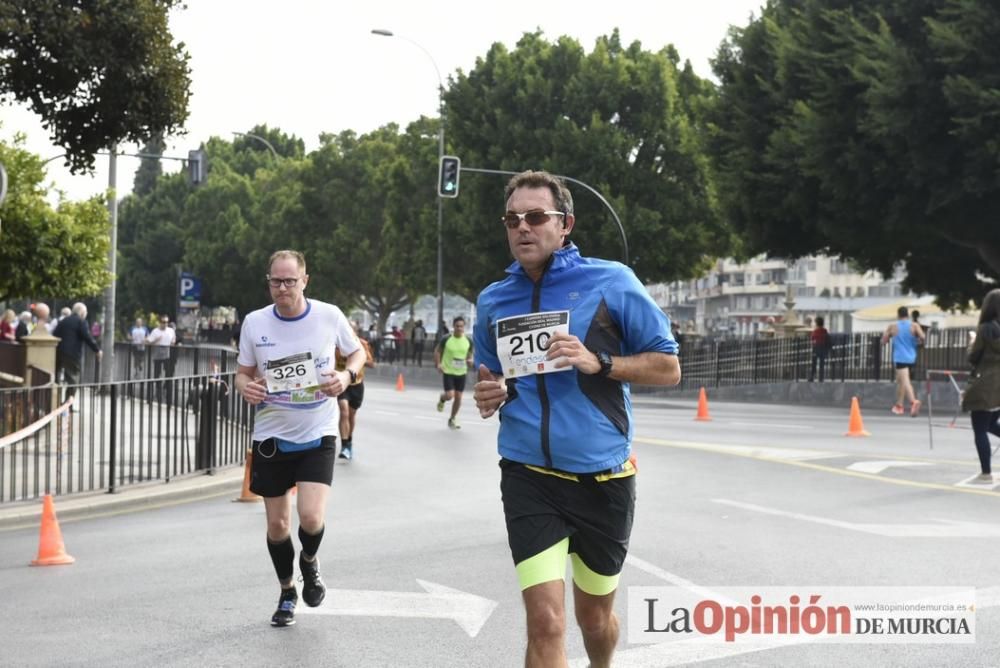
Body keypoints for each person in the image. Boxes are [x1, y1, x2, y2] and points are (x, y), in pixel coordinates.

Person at [472, 170, 680, 668]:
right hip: (529, 475)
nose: (523, 227)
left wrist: (598, 362)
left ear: (564, 224)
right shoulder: (493, 300)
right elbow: (489, 381)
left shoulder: (611, 282)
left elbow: (669, 368)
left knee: (595, 621)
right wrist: (488, 394)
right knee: (545, 623)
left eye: (536, 217)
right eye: (512, 219)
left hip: (603, 477)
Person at [235, 250, 365, 627]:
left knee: (310, 517)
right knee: (277, 527)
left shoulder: (328, 315)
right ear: (269, 282)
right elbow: (242, 373)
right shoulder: (255, 322)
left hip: (318, 431)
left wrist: (346, 377)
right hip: (272, 435)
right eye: (276, 281)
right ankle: (287, 590)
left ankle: (309, 560)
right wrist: (246, 388)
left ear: (305, 281)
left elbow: (356, 354)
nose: (282, 288)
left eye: (290, 281)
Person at [961, 289, 1000, 484]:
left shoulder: (985, 329)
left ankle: (986, 473)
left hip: (986, 383)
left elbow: (973, 357)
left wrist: (972, 342)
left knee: (980, 429)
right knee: (992, 424)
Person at [335, 323, 375, 461]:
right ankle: (344, 445)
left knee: (351, 415)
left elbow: (371, 363)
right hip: (342, 383)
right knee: (343, 410)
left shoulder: (361, 344)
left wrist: (357, 359)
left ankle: (349, 441)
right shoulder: (334, 344)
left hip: (357, 384)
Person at [52, 302, 102, 403]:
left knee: (56, 377)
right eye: (86, 312)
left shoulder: (63, 321)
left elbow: (54, 334)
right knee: (73, 378)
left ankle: (55, 401)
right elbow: (87, 336)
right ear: (82, 312)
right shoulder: (81, 322)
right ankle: (67, 404)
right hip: (72, 354)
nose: (86, 314)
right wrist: (97, 350)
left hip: (58, 352)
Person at [882, 305, 925, 416]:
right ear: (907, 314)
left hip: (900, 357)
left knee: (905, 381)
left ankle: (913, 401)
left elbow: (884, 340)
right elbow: (923, 337)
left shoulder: (893, 326)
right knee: (901, 381)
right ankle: (899, 405)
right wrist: (917, 341)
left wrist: (888, 338)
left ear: (898, 315)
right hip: (911, 357)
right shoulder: (914, 325)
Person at [435, 316, 474, 429]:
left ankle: (452, 418)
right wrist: (438, 364)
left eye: (461, 326)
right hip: (448, 371)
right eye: (457, 326)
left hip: (461, 372)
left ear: (464, 327)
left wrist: (471, 361)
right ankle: (442, 398)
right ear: (453, 326)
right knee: (449, 395)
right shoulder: (446, 338)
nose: (459, 328)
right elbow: (437, 351)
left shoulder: (468, 340)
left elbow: (470, 355)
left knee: (458, 397)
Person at [146, 315, 177, 402]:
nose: (165, 324)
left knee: (168, 375)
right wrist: (156, 341)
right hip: (158, 355)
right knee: (157, 375)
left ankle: (167, 395)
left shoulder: (170, 330)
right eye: (163, 322)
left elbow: (174, 337)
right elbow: (148, 342)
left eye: (167, 322)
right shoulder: (155, 331)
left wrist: (173, 341)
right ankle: (158, 394)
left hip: (167, 355)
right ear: (160, 322)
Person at [808, 316, 831, 382]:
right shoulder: (824, 331)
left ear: (817, 323)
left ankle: (812, 376)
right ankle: (821, 378)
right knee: (821, 364)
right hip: (823, 348)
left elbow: (812, 338)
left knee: (814, 363)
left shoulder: (816, 331)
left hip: (816, 348)